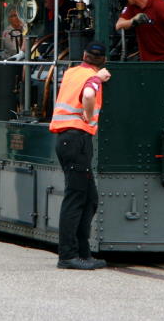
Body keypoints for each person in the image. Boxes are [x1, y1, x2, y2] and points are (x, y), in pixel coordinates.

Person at [49, 41, 111, 270]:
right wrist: (88, 113)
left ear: (84, 55)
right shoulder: (93, 78)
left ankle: (83, 252)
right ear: (103, 61)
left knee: (89, 198)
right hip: (77, 139)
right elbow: (87, 94)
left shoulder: (71, 72)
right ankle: (67, 255)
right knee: (76, 198)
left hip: (67, 140)